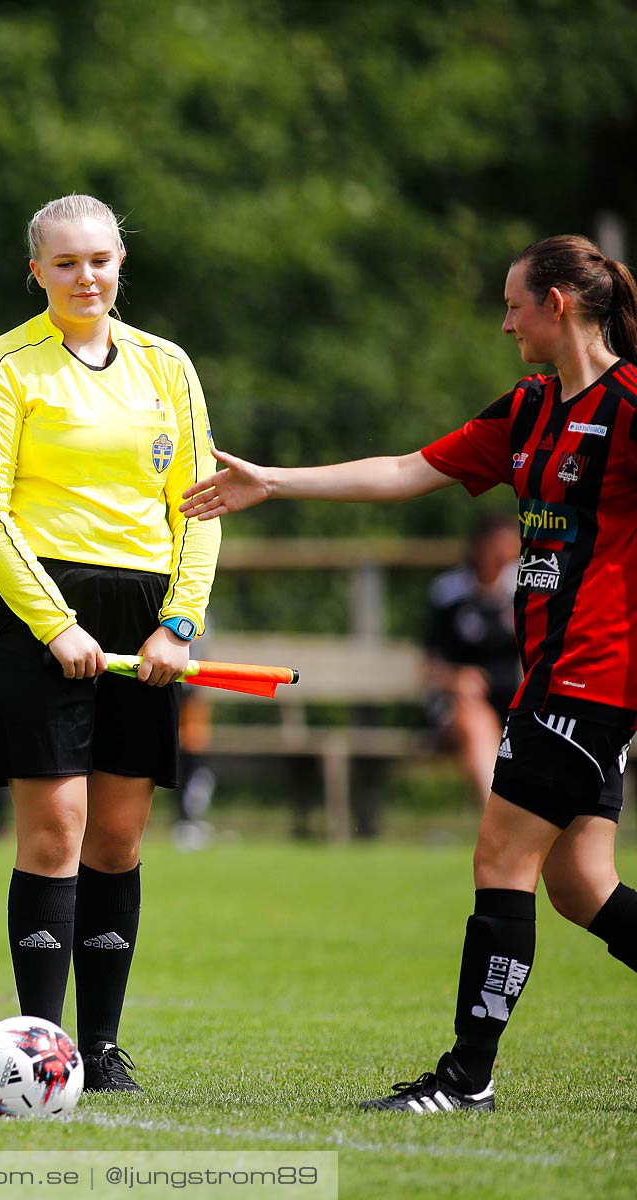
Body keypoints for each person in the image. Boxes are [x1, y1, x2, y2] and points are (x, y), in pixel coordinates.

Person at [180, 234, 637, 1113]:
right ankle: (470, 1075)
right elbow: (406, 469)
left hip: (592, 676)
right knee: (583, 885)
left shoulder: (629, 406)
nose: (503, 322)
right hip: (555, 675)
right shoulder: (531, 408)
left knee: (501, 856)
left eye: (513, 304)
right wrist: (271, 481)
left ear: (559, 305)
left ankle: (467, 1077)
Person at [0, 194, 222, 1094]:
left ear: (120, 265)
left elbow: (200, 506)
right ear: (36, 271)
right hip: (40, 605)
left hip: (144, 610)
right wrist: (53, 622)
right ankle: (41, 1043)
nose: (86, 278)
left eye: (100, 260)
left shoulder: (168, 365)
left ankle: (100, 1047)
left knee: (117, 835)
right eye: (65, 264)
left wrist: (179, 623)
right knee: (56, 828)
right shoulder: (2, 366)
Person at [424, 514, 523, 808]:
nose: (504, 560)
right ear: (480, 548)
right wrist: (456, 679)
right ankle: (494, 815)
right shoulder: (449, 593)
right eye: (499, 552)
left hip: (515, 707)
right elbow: (427, 668)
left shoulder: (525, 591)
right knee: (476, 721)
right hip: (457, 708)